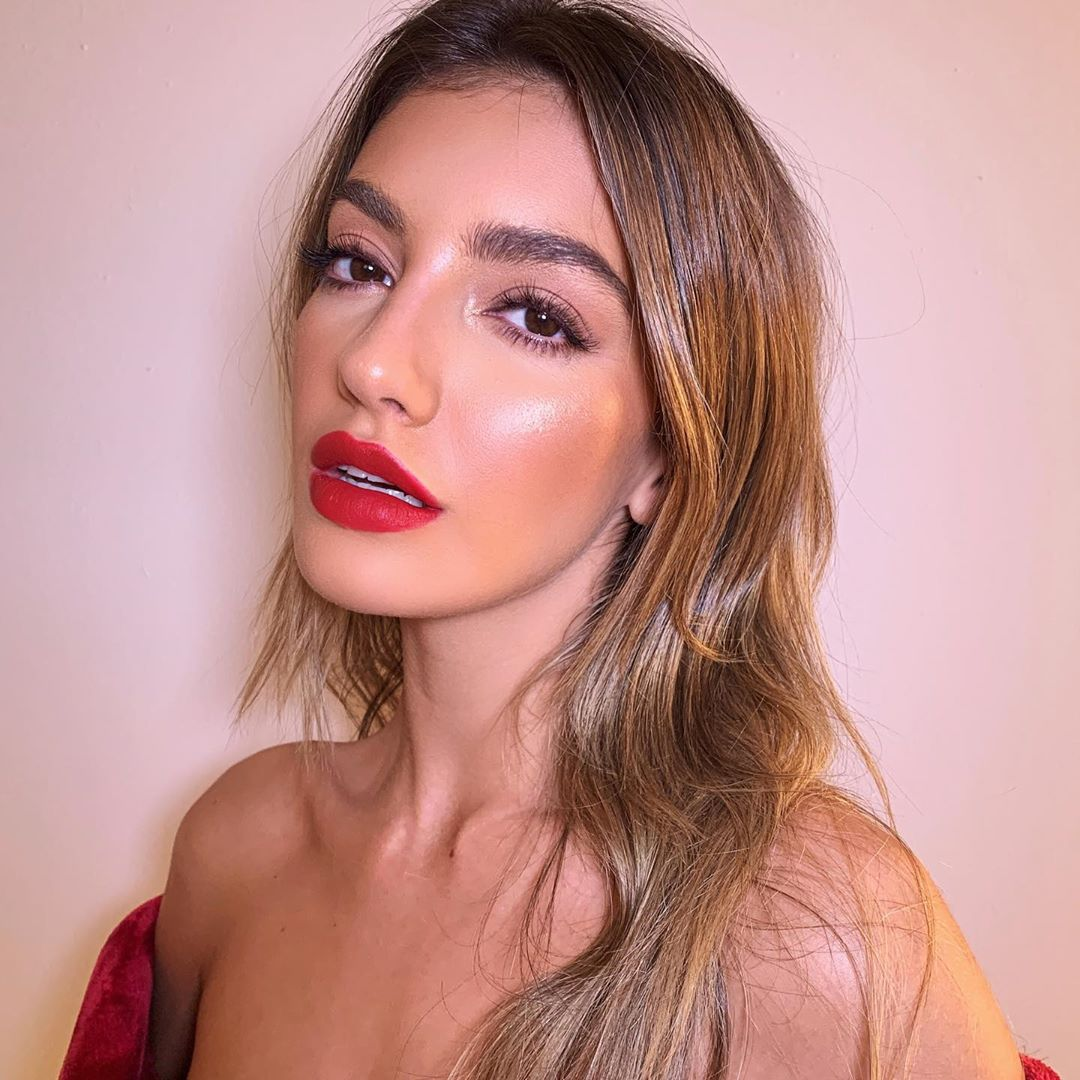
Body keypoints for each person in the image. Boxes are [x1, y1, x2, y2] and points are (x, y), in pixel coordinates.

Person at [59, 1, 1060, 1078]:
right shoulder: (234, 852)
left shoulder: (826, 938)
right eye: (358, 263)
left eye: (535, 315)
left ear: (670, 452)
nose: (373, 363)